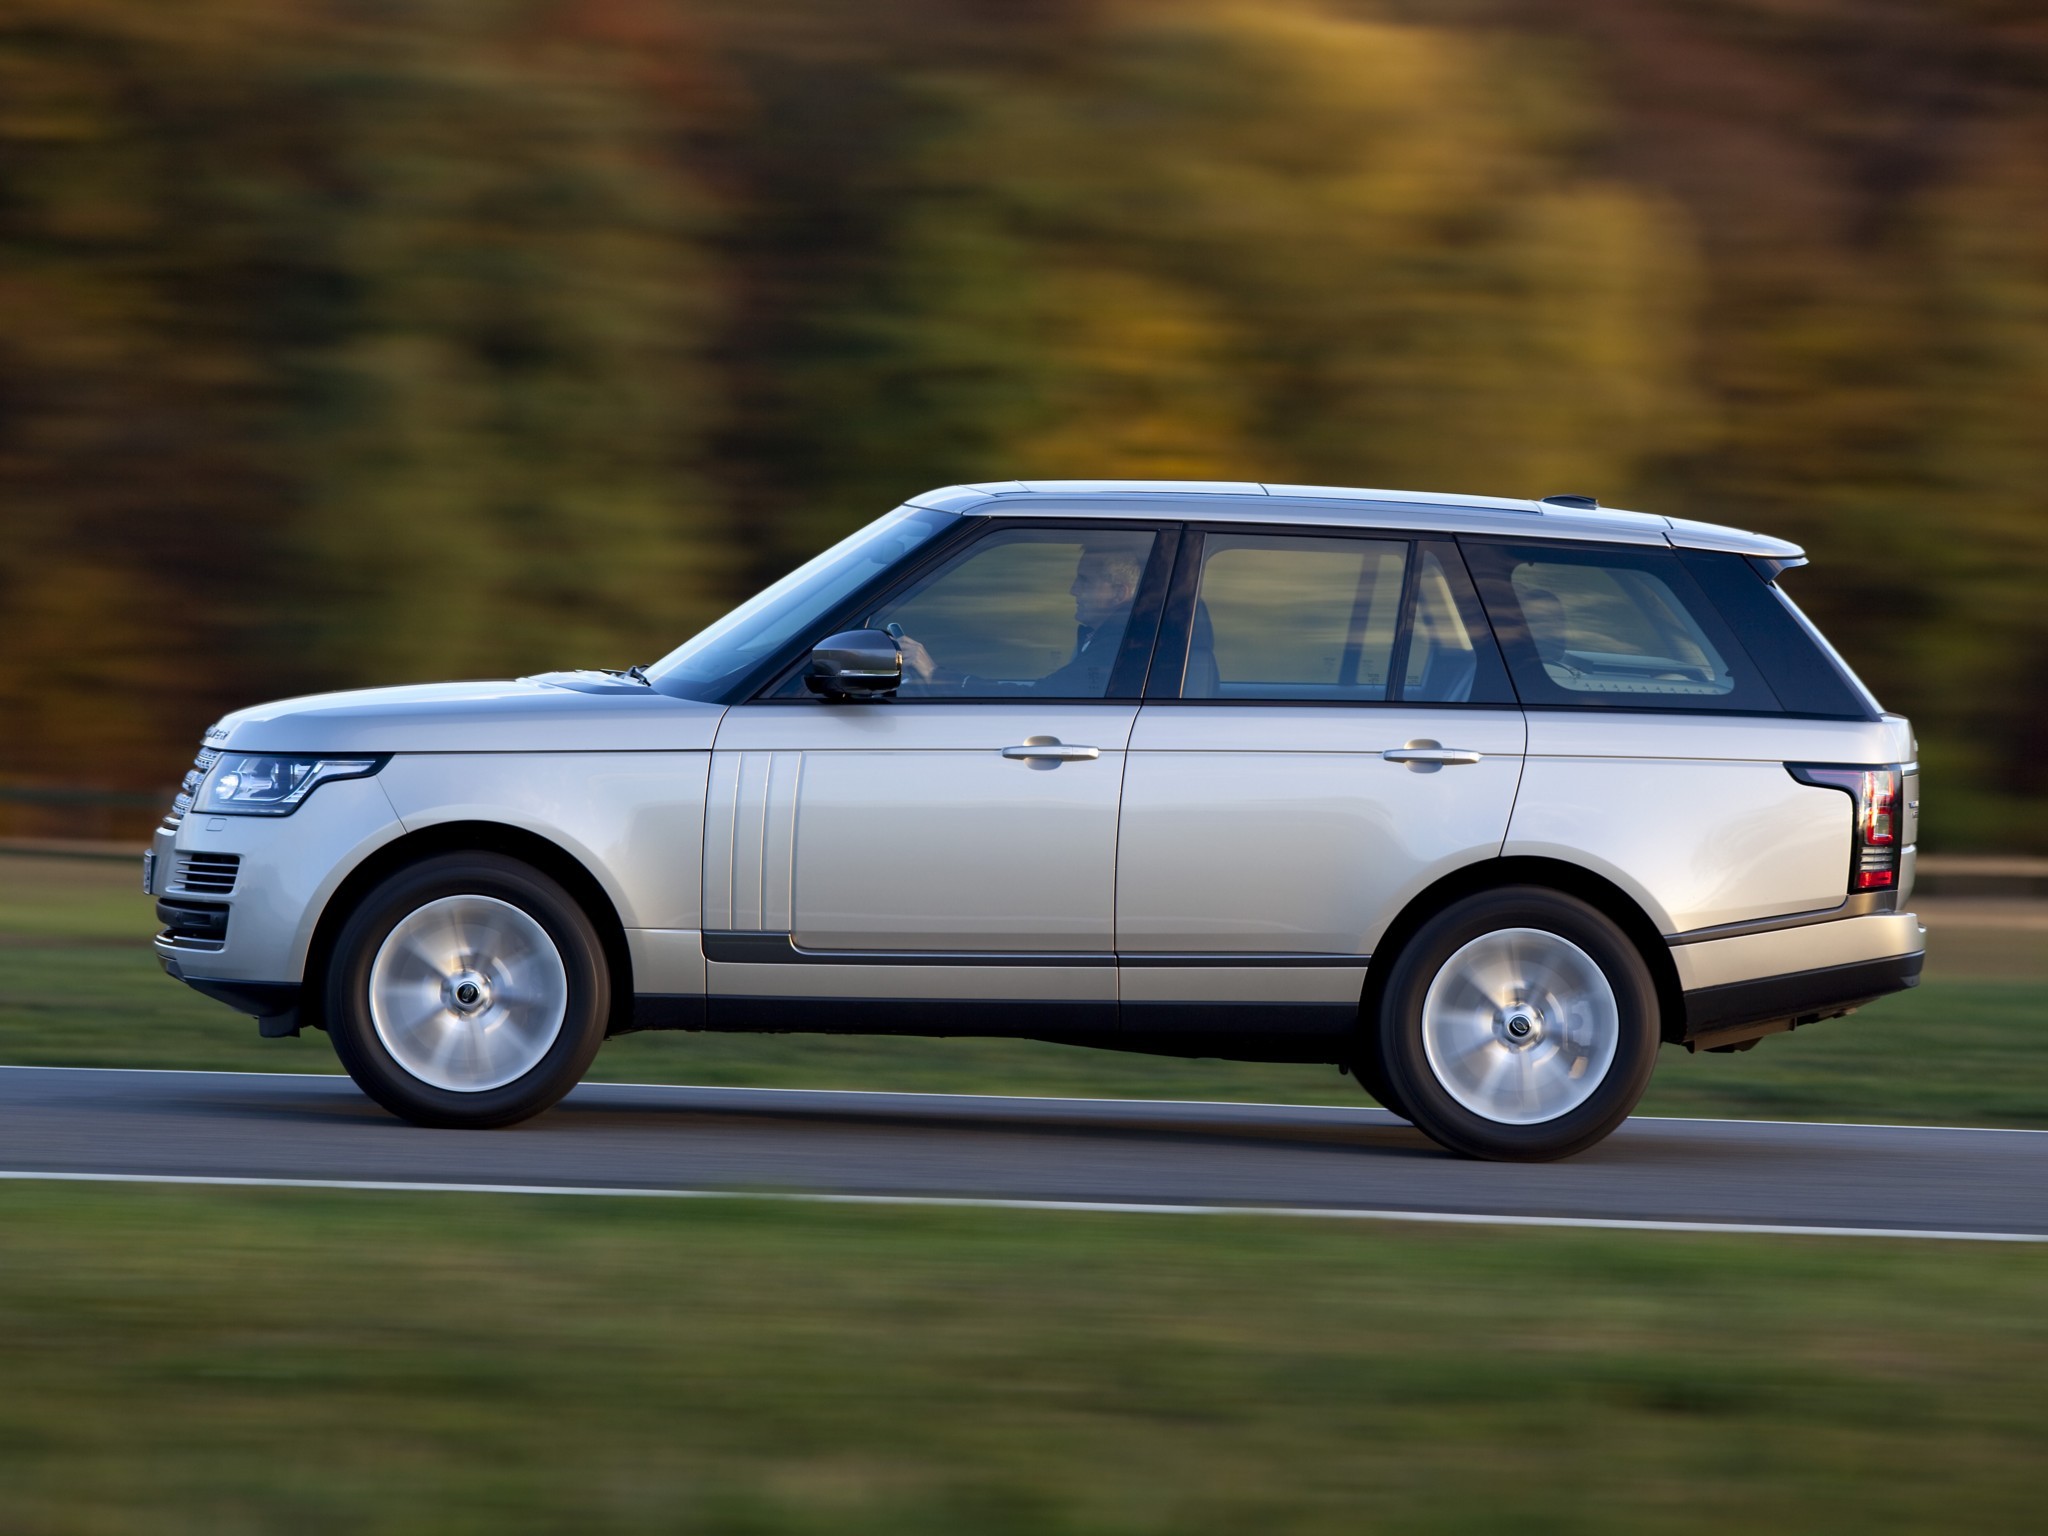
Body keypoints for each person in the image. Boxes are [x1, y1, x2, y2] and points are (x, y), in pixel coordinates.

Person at [893, 543, 1145, 696]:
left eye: (1085, 581)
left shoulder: (1115, 647)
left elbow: (1044, 698)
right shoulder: (1108, 639)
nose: (1073, 590)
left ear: (1118, 593)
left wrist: (936, 675)